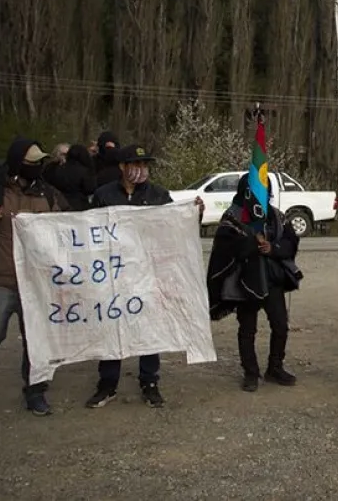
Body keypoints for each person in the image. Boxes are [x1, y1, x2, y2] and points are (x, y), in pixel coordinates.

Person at [0, 138, 70, 418]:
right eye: (32, 162)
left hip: (39, 284)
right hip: (2, 282)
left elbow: (70, 230)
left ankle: (35, 392)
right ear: (18, 163)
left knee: (38, 342)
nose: (38, 167)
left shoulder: (50, 196)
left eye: (41, 162)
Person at [85, 145, 204, 408]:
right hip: (114, 276)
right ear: (122, 167)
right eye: (134, 163)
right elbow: (87, 230)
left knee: (149, 327)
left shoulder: (159, 194)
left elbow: (176, 227)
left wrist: (194, 213)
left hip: (148, 274)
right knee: (112, 326)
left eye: (144, 164)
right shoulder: (104, 195)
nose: (140, 168)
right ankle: (107, 383)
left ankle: (149, 381)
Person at [207, 175, 303, 392]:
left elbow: (290, 242)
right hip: (245, 282)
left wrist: (273, 248)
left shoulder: (276, 216)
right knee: (247, 329)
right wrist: (252, 242)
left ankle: (275, 368)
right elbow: (225, 250)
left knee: (280, 326)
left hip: (272, 280)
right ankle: (250, 373)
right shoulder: (232, 217)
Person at [43, 144, 96, 211]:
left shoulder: (57, 169)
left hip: (60, 204)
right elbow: (90, 189)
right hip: (79, 206)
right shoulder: (84, 171)